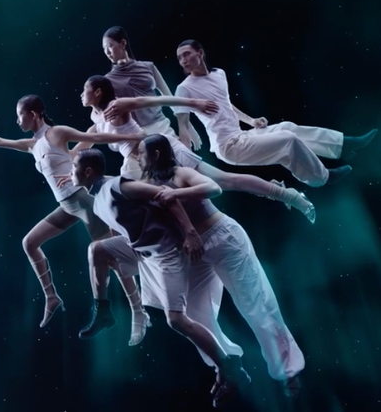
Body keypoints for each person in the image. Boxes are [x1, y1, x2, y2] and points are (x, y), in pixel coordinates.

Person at [88, 136, 306, 398]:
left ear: (156, 155)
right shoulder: (141, 183)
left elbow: (214, 188)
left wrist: (176, 193)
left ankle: (289, 370)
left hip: (223, 239)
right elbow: (115, 191)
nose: (138, 158)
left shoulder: (180, 173)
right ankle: (227, 363)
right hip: (191, 251)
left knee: (255, 303)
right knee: (195, 314)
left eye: (142, 153)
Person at [0, 95, 148, 334]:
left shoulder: (56, 133)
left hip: (84, 202)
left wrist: (133, 137)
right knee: (29, 243)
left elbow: (95, 138)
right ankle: (52, 297)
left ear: (33, 114)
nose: (17, 120)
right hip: (66, 206)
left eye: (20, 115)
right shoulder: (32, 144)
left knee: (112, 258)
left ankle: (130, 310)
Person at [70, 148, 251, 408]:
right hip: (142, 249)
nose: (70, 172)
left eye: (73, 167)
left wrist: (190, 233)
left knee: (176, 319)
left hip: (168, 252)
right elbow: (121, 224)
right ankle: (103, 311)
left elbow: (165, 196)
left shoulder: (119, 186)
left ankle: (230, 368)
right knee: (97, 249)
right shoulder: (97, 198)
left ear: (88, 171)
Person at [83, 75, 316, 222]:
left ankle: (288, 195)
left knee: (225, 181)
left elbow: (155, 101)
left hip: (164, 151)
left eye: (85, 89)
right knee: (134, 201)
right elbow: (87, 139)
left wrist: (193, 103)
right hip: (140, 165)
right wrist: (67, 161)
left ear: (98, 92)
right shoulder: (96, 117)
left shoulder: (118, 106)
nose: (82, 94)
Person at [172, 40, 378, 187]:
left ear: (200, 53)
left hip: (242, 135)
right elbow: (183, 124)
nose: (183, 60)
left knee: (287, 127)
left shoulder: (219, 74)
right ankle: (323, 177)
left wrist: (252, 121)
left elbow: (227, 105)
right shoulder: (185, 89)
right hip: (229, 146)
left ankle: (343, 144)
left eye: (186, 54)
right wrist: (186, 162)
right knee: (287, 140)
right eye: (180, 57)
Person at [102, 26, 203, 147]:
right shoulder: (107, 80)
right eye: (104, 48)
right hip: (136, 134)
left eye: (109, 46)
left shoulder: (148, 67)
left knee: (182, 156)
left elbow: (169, 98)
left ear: (123, 43)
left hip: (161, 126)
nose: (107, 52)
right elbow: (107, 113)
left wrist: (189, 128)